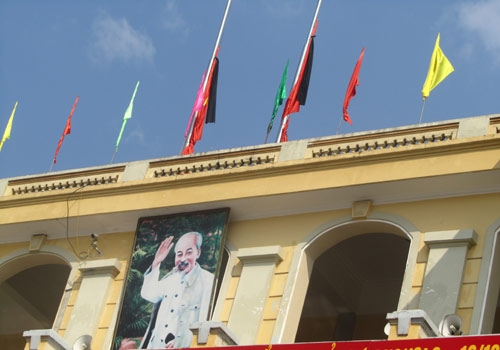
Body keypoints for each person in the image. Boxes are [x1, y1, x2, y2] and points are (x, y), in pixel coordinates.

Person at [140, 232, 214, 349]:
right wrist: (157, 262)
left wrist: (183, 341)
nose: (183, 258)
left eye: (189, 253)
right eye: (179, 254)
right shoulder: (171, 279)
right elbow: (148, 294)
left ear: (198, 253)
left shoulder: (208, 281)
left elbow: (206, 321)